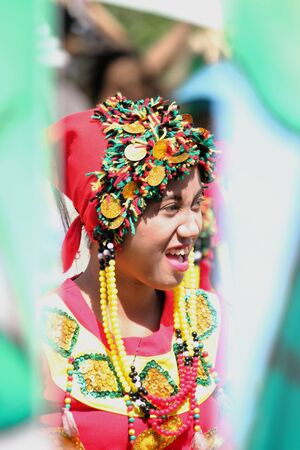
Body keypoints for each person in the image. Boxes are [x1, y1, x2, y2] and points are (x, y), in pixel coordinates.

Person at [40, 93, 226, 449]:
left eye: (196, 204)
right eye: (171, 207)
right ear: (108, 218)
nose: (191, 228)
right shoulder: (40, 336)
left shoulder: (214, 323)